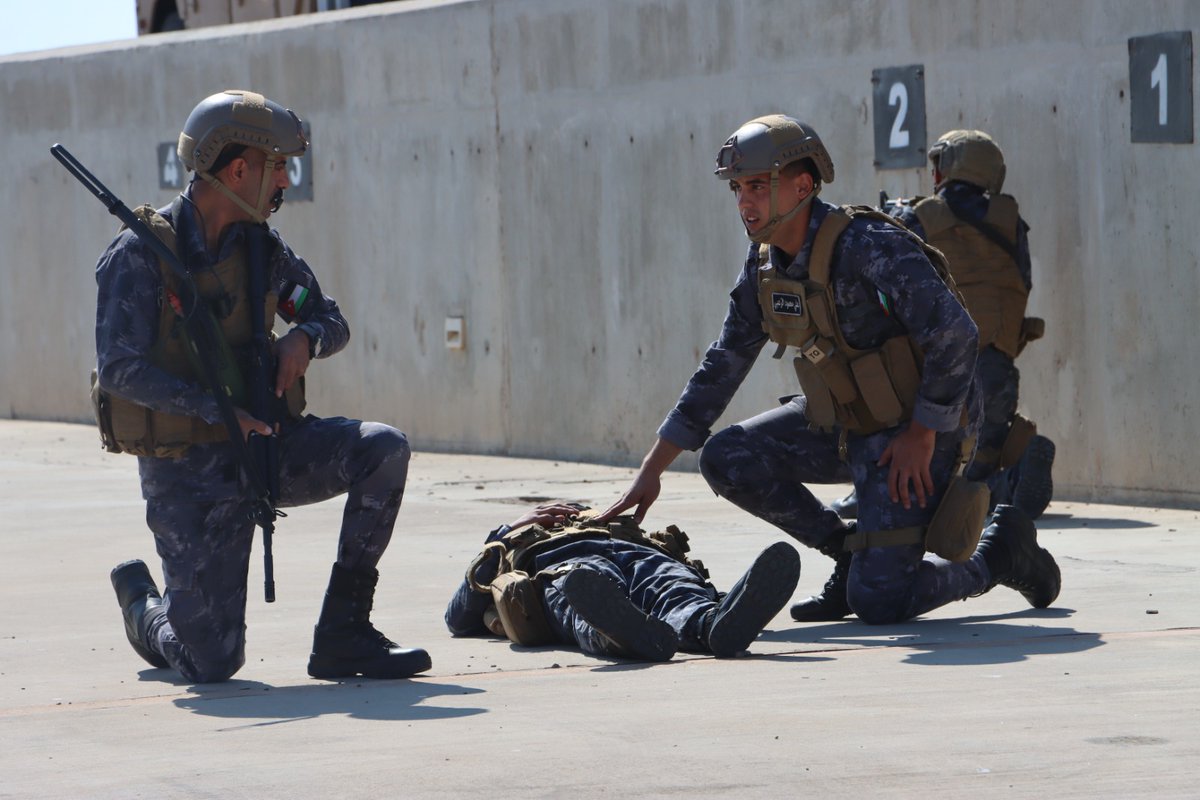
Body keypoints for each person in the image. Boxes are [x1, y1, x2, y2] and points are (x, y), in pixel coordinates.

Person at [597, 114, 1061, 625]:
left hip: (921, 432)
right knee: (727, 457)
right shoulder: (765, 264)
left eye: (756, 185)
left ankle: (998, 557)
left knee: (881, 601)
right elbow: (723, 362)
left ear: (802, 185)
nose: (743, 201)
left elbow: (955, 334)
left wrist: (923, 434)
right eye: (737, 189)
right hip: (847, 422)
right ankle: (846, 553)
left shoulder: (867, 244)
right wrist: (651, 470)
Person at [99, 89, 429, 683]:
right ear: (239, 169)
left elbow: (332, 318)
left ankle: (344, 634)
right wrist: (216, 411)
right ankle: (145, 611)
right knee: (211, 662)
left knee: (383, 448)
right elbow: (120, 367)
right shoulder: (140, 256)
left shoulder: (263, 251)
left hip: (269, 450)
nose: (284, 181)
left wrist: (304, 339)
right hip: (189, 474)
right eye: (278, 166)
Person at [445, 504, 801, 661]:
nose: (564, 512)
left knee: (672, 583)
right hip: (561, 563)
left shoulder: (610, 520)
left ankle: (711, 625)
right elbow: (458, 618)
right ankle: (619, 637)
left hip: (639, 551)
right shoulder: (516, 539)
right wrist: (508, 532)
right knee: (582, 586)